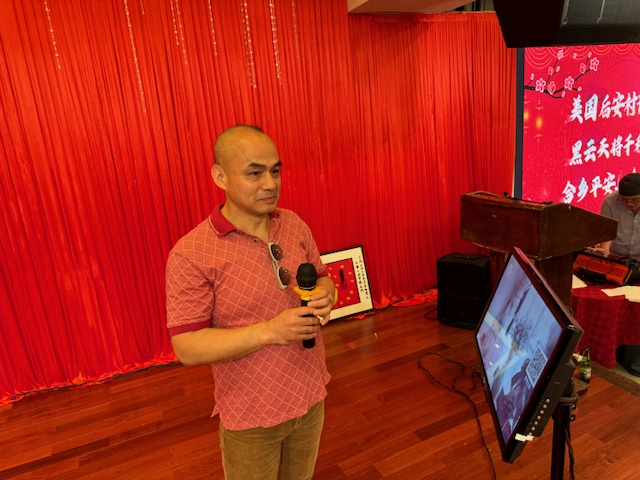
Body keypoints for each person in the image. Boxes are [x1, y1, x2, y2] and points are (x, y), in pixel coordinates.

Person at [165, 125, 335, 480]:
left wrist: (326, 294)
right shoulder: (191, 253)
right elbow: (187, 347)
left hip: (311, 394)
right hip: (251, 416)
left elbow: (322, 276)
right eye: (254, 173)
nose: (270, 184)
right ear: (220, 177)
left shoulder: (293, 224)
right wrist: (271, 331)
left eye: (275, 170)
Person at [593, 172, 640, 261]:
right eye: (624, 199)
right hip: (616, 256)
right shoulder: (610, 201)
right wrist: (605, 249)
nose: (629, 203)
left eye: (635, 200)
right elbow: (606, 229)